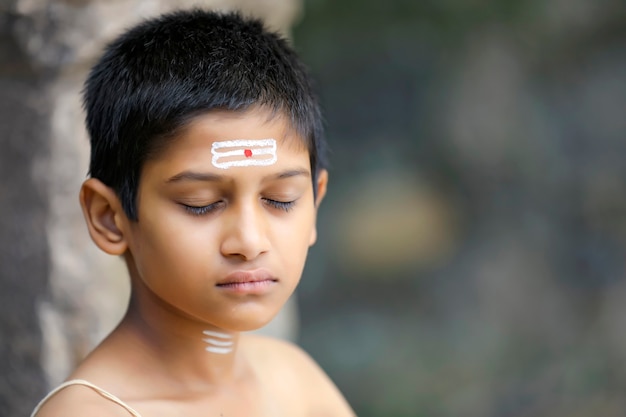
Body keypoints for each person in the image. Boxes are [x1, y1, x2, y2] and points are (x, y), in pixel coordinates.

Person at [31, 9, 355, 417]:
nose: (250, 242)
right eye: (200, 203)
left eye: (281, 199)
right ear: (109, 217)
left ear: (315, 201)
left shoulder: (294, 381)